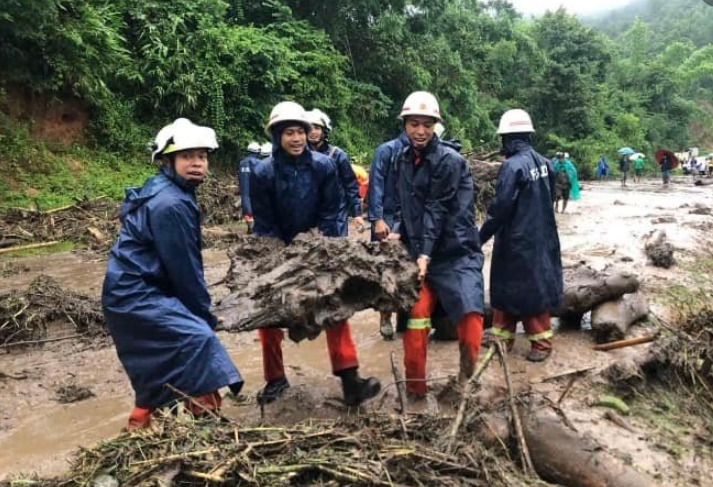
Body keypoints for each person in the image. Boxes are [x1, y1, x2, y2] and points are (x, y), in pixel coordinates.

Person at [102, 118, 244, 430]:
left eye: (202, 156)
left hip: (125, 293)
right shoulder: (171, 203)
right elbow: (185, 269)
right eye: (187, 156)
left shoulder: (167, 190)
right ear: (168, 161)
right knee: (201, 342)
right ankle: (207, 425)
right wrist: (203, 314)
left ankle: (138, 428)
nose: (197, 164)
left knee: (161, 362)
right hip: (137, 294)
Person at [251, 101, 381, 406]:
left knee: (335, 309)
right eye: (289, 133)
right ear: (277, 136)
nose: (296, 139)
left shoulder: (324, 166)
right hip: (278, 250)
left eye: (300, 132)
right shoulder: (262, 173)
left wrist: (320, 252)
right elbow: (264, 222)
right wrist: (279, 259)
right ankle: (275, 378)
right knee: (267, 316)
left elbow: (331, 211)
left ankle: (351, 380)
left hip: (318, 247)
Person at [388, 91, 485, 399]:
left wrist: (426, 253)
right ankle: (416, 392)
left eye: (427, 124)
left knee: (470, 317)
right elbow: (408, 205)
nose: (420, 131)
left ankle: (466, 383)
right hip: (420, 253)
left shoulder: (450, 161)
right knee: (415, 322)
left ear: (436, 126)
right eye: (414, 124)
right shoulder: (402, 159)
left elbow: (437, 207)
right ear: (404, 125)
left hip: (457, 252)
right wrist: (397, 231)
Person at [479, 109, 563, 362]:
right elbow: (550, 198)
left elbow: (500, 209)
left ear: (506, 138)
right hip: (542, 237)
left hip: (517, 241)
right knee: (511, 290)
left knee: (526, 291)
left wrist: (479, 237)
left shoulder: (512, 166)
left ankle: (542, 344)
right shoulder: (546, 163)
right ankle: (502, 337)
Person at [368, 129, 411, 341]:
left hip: (410, 220)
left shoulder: (422, 152)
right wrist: (376, 218)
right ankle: (385, 317)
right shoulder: (386, 151)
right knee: (385, 271)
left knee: (408, 270)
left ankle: (405, 318)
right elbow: (375, 185)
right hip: (386, 217)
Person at [306, 109, 364, 235]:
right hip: (309, 214)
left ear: (324, 131)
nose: (313, 132)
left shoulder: (338, 155)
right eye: (309, 128)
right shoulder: (299, 157)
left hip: (336, 216)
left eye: (317, 128)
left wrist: (357, 213)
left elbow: (351, 186)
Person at [238, 142, 262, 234]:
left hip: (244, 187)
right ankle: (255, 226)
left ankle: (250, 226)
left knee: (246, 202)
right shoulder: (258, 162)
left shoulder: (242, 162)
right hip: (255, 188)